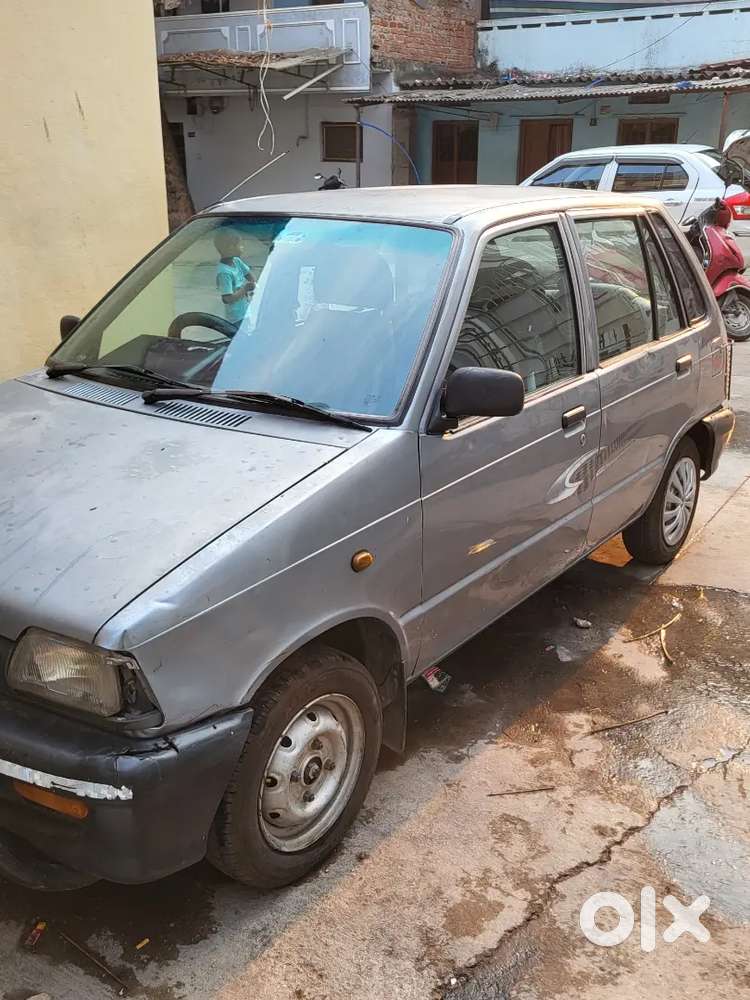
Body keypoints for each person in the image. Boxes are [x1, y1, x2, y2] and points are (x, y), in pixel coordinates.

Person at [214, 229, 255, 323]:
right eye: (240, 245)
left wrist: (253, 284)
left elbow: (249, 275)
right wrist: (245, 289)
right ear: (230, 248)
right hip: (236, 316)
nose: (242, 248)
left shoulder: (236, 261)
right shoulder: (224, 273)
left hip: (246, 310)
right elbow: (227, 298)